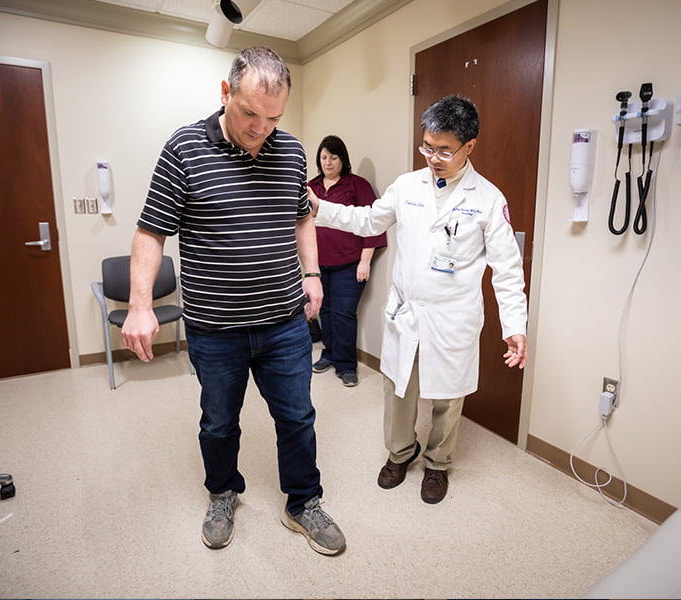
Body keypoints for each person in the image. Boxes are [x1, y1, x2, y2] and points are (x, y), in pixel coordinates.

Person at [121, 46, 345, 555]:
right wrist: (139, 304)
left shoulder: (290, 151)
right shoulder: (183, 148)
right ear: (226, 93)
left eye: (273, 118)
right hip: (214, 328)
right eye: (249, 113)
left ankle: (303, 502)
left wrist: (311, 272)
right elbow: (151, 232)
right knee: (219, 422)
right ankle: (222, 493)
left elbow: (302, 214)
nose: (260, 128)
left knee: (298, 417)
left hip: (284, 321)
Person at [308, 95, 528, 505]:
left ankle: (438, 463)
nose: (433, 157)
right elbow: (368, 219)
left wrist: (515, 327)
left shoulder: (488, 200)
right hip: (407, 311)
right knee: (399, 388)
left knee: (448, 396)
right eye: (427, 146)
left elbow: (508, 269)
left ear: (469, 147)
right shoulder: (407, 186)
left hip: (453, 316)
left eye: (444, 149)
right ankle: (400, 453)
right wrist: (323, 209)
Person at [308, 135, 387, 387]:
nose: (328, 162)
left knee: (344, 314)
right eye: (324, 157)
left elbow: (373, 225)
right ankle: (329, 354)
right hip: (319, 266)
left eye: (333, 157)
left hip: (349, 264)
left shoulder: (357, 185)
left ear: (343, 159)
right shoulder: (312, 186)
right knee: (326, 312)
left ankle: (346, 365)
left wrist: (365, 262)